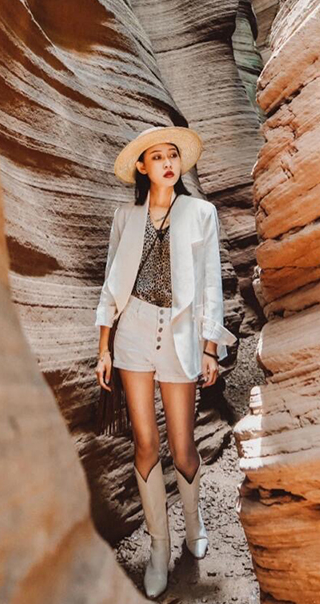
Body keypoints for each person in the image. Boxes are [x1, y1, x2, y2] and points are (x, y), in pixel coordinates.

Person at [94, 124, 237, 599]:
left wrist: (211, 346)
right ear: (142, 167)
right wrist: (104, 347)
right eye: (157, 157)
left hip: (180, 335)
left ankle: (193, 524)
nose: (168, 163)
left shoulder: (201, 212)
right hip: (133, 333)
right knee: (145, 443)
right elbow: (111, 288)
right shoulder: (126, 217)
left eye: (172, 155)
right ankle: (159, 546)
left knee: (182, 447)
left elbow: (211, 283)